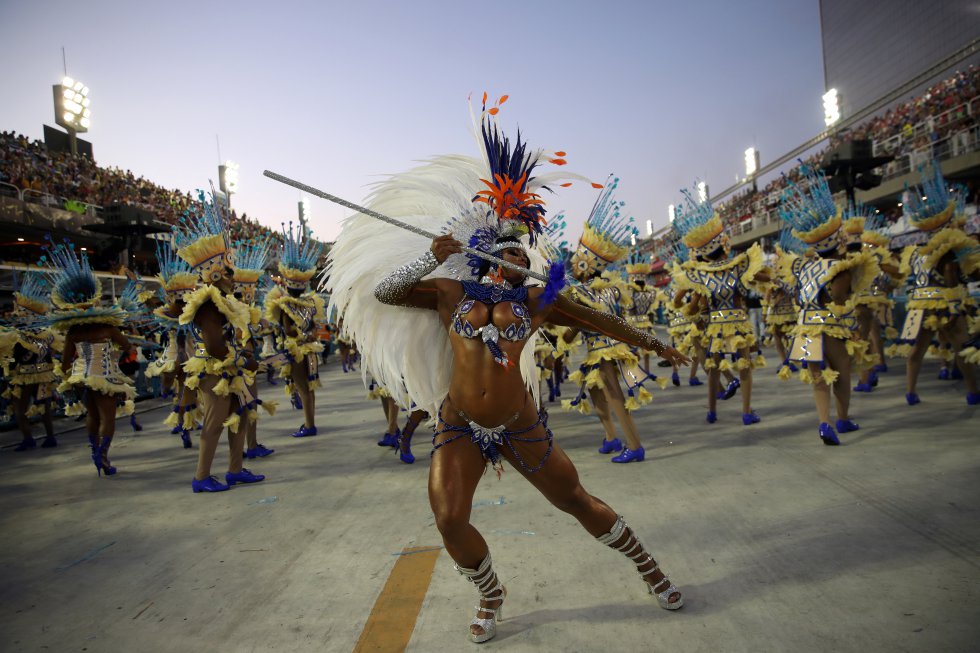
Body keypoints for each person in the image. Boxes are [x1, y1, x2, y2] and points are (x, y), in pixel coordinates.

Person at [330, 97, 690, 643]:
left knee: (574, 499)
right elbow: (387, 291)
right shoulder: (450, 294)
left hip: (520, 422)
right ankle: (491, 593)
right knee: (450, 520)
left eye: (520, 254)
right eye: (505, 252)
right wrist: (430, 256)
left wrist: (654, 345)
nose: (514, 259)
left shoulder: (535, 301)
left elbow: (598, 320)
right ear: (483, 255)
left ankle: (649, 568)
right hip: (460, 426)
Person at [561, 178, 661, 463]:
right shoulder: (608, 287)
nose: (575, 265)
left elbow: (590, 323)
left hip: (606, 350)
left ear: (586, 265)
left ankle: (634, 445)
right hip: (603, 349)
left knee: (615, 395)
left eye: (580, 260)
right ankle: (610, 437)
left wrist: (568, 321)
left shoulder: (594, 291)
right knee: (595, 391)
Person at [780, 167, 879, 445]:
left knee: (818, 380)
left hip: (805, 330)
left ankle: (824, 423)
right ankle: (843, 419)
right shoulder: (842, 267)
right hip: (831, 327)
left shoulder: (803, 266)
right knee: (842, 376)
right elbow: (838, 298)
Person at [175, 191, 266, 492]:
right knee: (215, 421)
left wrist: (242, 357)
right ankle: (201, 477)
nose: (232, 276)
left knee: (239, 414)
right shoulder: (209, 304)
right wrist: (243, 359)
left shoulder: (223, 301)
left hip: (228, 366)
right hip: (214, 369)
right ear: (213, 274)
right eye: (228, 271)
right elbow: (213, 344)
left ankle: (235, 469)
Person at [671, 185, 769, 425]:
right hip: (738, 322)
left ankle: (712, 412)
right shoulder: (738, 265)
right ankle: (746, 412)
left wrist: (694, 308)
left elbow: (687, 305)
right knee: (744, 367)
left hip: (715, 324)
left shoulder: (699, 274)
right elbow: (763, 276)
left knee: (714, 368)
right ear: (723, 244)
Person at [889, 162, 979, 405]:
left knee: (917, 351)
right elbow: (950, 275)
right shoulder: (947, 249)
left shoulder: (915, 251)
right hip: (944, 302)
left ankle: (910, 391)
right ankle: (973, 392)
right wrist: (954, 307)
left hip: (919, 305)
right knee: (962, 348)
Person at [44, 240, 136, 476]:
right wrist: (115, 353)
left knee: (93, 416)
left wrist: (66, 379)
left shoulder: (74, 331)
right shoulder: (107, 327)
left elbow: (65, 362)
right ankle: (103, 457)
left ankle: (95, 451)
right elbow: (127, 347)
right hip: (104, 377)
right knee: (108, 419)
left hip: (82, 378)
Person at [265, 224, 325, 438]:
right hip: (310, 349)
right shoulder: (311, 303)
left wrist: (289, 334)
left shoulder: (281, 304)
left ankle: (309, 425)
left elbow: (289, 331)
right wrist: (308, 336)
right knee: (309, 388)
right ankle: (310, 422)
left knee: (303, 388)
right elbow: (315, 329)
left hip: (296, 350)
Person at [0, 273, 58, 451]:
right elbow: (52, 352)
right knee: (42, 409)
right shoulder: (46, 333)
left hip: (25, 377)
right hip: (42, 374)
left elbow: (10, 356)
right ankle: (48, 437)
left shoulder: (15, 335)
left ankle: (29, 439)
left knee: (21, 408)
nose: (17, 314)